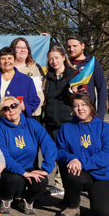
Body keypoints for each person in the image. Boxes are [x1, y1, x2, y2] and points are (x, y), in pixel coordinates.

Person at [55, 93, 109, 216]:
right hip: (79, 173)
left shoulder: (105, 128)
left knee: (104, 214)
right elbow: (59, 152)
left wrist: (81, 162)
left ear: (91, 107)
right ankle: (73, 206)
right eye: (76, 106)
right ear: (72, 109)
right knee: (72, 171)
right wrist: (71, 159)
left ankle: (95, 196)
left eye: (83, 105)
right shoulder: (66, 129)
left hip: (103, 175)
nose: (80, 109)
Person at [0, 96, 57, 215]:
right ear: (2, 113)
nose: (11, 110)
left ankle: (27, 201)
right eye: (6, 109)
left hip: (29, 166)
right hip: (8, 168)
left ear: (19, 107)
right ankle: (6, 199)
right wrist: (23, 173)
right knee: (15, 179)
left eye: (13, 106)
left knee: (42, 180)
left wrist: (47, 169)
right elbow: (3, 155)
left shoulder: (32, 123)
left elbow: (48, 144)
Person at [42, 45, 76, 196]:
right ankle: (60, 184)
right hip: (52, 123)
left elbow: (82, 98)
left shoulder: (73, 75)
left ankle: (64, 185)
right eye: (50, 59)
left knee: (67, 154)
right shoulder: (47, 78)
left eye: (56, 57)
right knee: (55, 154)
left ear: (63, 57)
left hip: (68, 121)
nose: (53, 61)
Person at [0, 47, 40, 128]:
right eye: (3, 58)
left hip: (17, 124)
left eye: (10, 58)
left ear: (15, 60)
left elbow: (34, 101)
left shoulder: (26, 80)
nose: (7, 61)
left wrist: (24, 107)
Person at [66, 35, 107, 120]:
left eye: (75, 46)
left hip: (87, 115)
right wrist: (46, 39)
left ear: (83, 46)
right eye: (69, 47)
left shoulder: (92, 65)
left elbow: (102, 91)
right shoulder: (64, 65)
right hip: (66, 116)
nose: (71, 49)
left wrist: (100, 116)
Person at [11, 37, 45, 121]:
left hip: (34, 114)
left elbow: (40, 93)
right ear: (13, 50)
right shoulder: (7, 67)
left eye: (25, 48)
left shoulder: (35, 67)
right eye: (19, 47)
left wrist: (31, 108)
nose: (22, 50)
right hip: (12, 114)